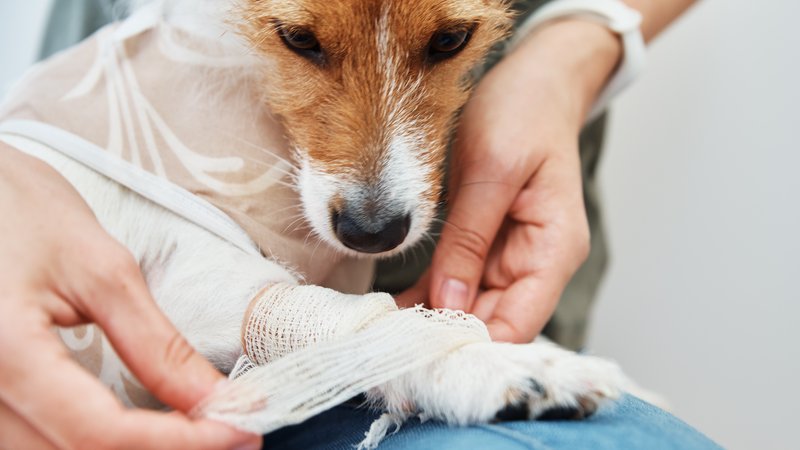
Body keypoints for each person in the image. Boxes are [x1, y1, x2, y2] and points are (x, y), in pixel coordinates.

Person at [0, 0, 717, 448]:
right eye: (305, 39)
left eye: (445, 40)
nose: (374, 191)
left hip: (470, 269)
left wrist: (577, 49)